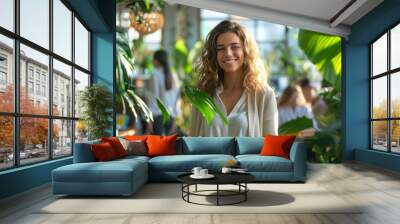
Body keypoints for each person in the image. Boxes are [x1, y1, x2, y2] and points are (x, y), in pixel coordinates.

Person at [190, 20, 278, 137]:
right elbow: (193, 140)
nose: (228, 53)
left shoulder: (264, 94)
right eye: (221, 48)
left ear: (246, 51)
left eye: (235, 47)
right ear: (214, 54)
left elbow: (271, 147)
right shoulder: (203, 93)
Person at [147, 49, 177, 135]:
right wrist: (175, 121)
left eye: (153, 59)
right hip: (170, 117)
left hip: (158, 118)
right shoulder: (173, 75)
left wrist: (149, 121)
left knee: (157, 147)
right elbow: (176, 99)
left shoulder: (155, 75)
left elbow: (153, 98)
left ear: (157, 61)